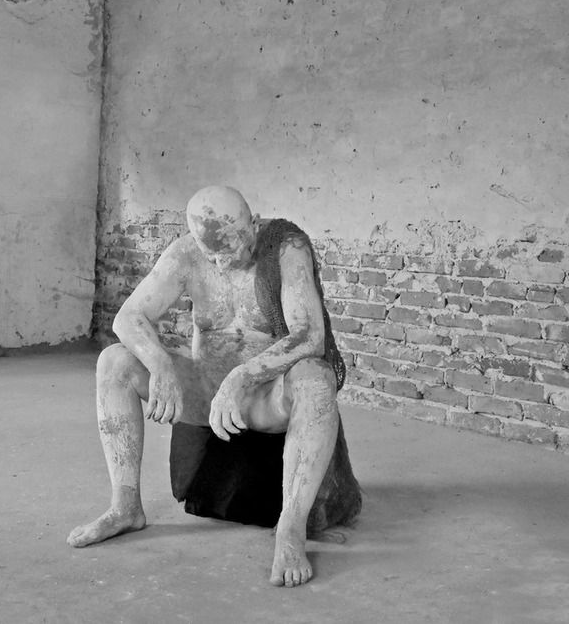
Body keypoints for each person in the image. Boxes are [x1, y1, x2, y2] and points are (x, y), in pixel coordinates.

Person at [67, 185, 360, 587]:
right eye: (214, 255)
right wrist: (161, 366)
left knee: (316, 378)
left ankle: (290, 529)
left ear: (253, 223)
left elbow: (310, 336)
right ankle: (125, 506)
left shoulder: (286, 249)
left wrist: (242, 376)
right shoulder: (186, 254)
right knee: (114, 361)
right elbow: (128, 317)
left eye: (235, 247)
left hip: (263, 396)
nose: (226, 261)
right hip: (206, 388)